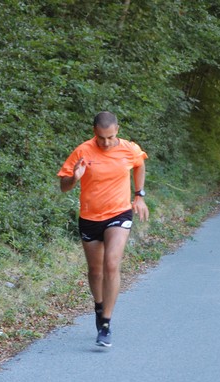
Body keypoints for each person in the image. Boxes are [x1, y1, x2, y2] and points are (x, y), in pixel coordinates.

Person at [58, 111, 149, 347]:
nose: (106, 143)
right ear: (94, 133)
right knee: (95, 270)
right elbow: (64, 187)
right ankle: (99, 306)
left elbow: (139, 165)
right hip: (89, 217)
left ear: (117, 129)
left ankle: (106, 324)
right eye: (101, 138)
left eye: (110, 137)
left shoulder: (129, 149)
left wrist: (139, 195)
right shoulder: (82, 151)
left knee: (111, 263)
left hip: (119, 213)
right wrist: (74, 178)